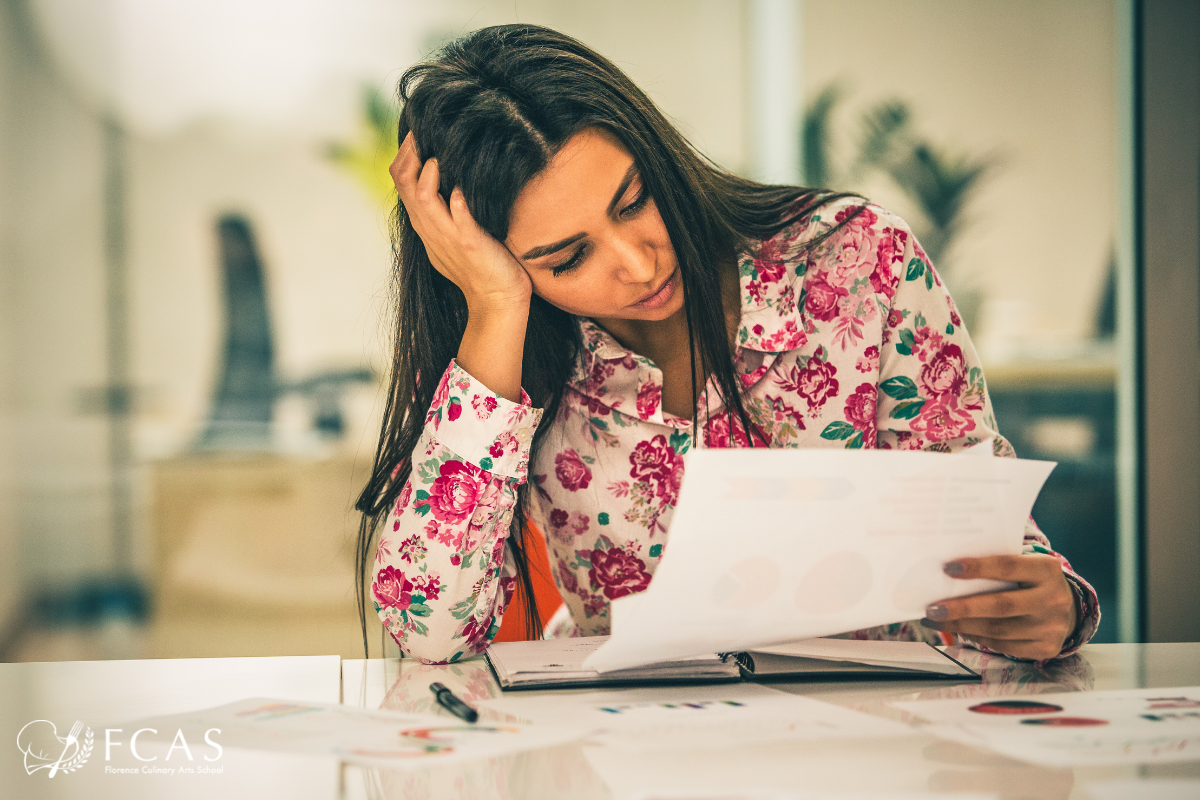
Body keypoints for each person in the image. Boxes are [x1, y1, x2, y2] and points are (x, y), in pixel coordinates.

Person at [355, 23, 1099, 665]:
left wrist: (1054, 605)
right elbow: (430, 631)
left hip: (880, 745)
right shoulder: (509, 348)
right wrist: (494, 305)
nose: (640, 262)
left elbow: (984, 533)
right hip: (630, 756)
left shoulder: (858, 259)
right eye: (568, 258)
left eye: (636, 200)